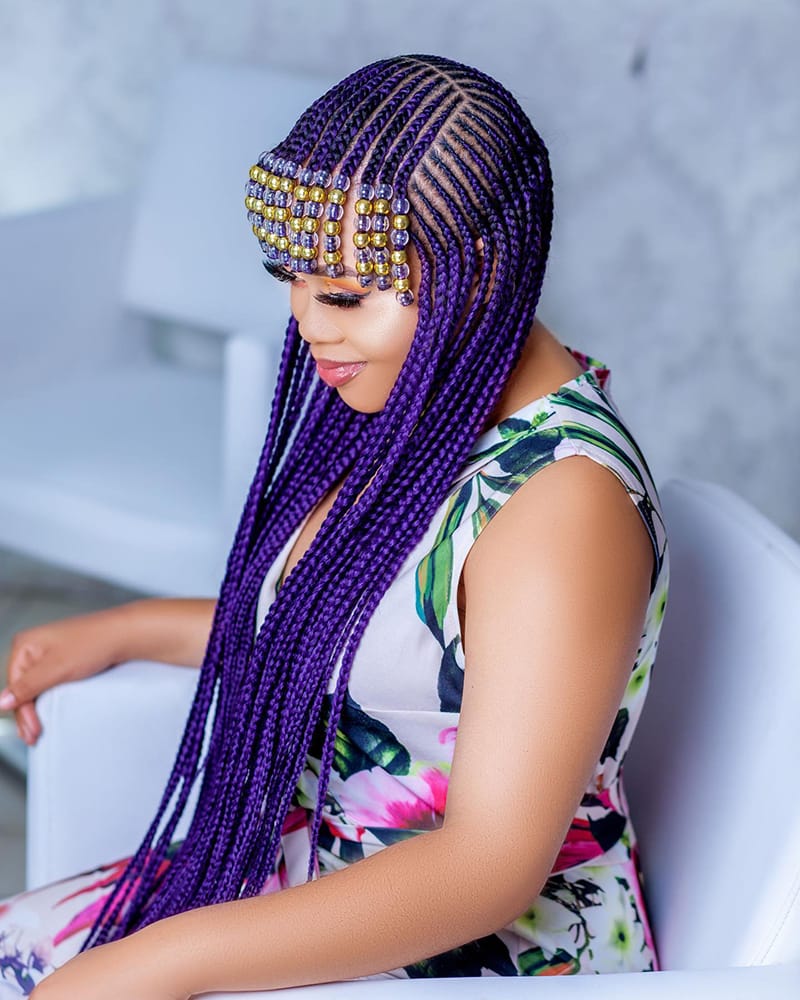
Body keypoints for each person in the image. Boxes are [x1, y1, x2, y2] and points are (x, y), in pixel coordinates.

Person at [0, 53, 669, 996]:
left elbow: (485, 869)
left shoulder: (563, 507)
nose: (308, 325)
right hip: (316, 884)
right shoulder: (421, 394)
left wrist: (147, 967)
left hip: (475, 954)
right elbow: (360, 637)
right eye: (293, 281)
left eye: (345, 295)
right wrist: (128, 627)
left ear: (476, 271)